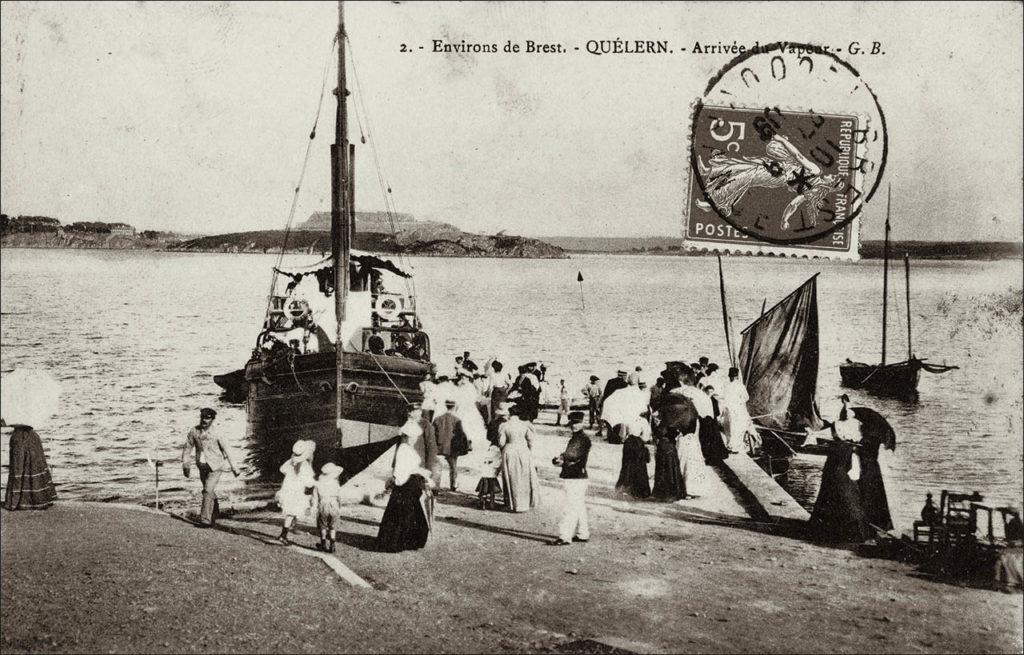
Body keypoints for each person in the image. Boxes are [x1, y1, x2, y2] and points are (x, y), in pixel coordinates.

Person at [377, 422, 434, 552]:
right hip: (406, 485)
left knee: (409, 513)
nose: (415, 439)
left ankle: (406, 541)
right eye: (413, 437)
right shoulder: (403, 449)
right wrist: (418, 473)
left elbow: (410, 467)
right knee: (404, 513)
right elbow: (401, 470)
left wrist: (422, 473)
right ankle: (399, 542)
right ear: (407, 436)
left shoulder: (407, 448)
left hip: (411, 484)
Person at [181, 408, 239, 527]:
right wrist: (186, 465)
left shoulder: (217, 432)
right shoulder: (194, 431)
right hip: (202, 466)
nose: (204, 420)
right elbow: (187, 448)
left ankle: (205, 520)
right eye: (202, 417)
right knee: (209, 491)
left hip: (216, 466)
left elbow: (227, 450)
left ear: (212, 419)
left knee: (207, 490)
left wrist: (234, 468)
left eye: (207, 418)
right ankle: (215, 513)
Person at [550, 411, 591, 545]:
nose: (574, 426)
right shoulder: (578, 438)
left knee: (570, 507)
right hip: (578, 476)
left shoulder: (582, 439)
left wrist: (561, 459)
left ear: (582, 423)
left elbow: (574, 456)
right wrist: (561, 458)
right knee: (578, 506)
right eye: (572, 423)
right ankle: (583, 533)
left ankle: (565, 536)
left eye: (577, 423)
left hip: (575, 476)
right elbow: (571, 455)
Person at [497, 405, 542, 512]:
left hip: (510, 450)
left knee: (512, 477)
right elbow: (531, 441)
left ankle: (513, 504)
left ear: (510, 414)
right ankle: (524, 504)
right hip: (523, 450)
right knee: (524, 477)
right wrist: (528, 451)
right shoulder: (525, 425)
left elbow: (501, 443)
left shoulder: (504, 425)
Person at [2, 424, 56, 511]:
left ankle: (17, 500)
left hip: (19, 437)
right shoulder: (31, 416)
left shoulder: (15, 426)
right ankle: (36, 500)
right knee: (32, 466)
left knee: (18, 467)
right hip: (32, 437)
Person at [276, 440, 316, 545]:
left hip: (288, 490)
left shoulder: (290, 462)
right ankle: (283, 535)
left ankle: (288, 530)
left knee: (291, 512)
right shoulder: (305, 465)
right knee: (291, 513)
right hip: (296, 492)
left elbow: (282, 469)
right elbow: (309, 483)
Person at [433, 399, 469, 491]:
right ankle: (453, 485)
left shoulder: (437, 419)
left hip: (439, 446)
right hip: (451, 448)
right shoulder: (457, 420)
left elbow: (433, 433)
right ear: (454, 407)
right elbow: (460, 435)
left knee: (437, 466)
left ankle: (435, 486)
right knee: (453, 467)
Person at [312, 462, 344, 552]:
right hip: (334, 505)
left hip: (323, 504)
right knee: (333, 526)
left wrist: (314, 508)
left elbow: (315, 498)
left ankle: (323, 544)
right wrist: (339, 507)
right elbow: (339, 497)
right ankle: (332, 545)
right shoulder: (335, 484)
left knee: (323, 526)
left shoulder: (318, 484)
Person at [720, 367, 753, 454]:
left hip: (736, 409)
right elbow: (723, 396)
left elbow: (746, 397)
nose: (732, 378)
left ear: (736, 377)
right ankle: (730, 446)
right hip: (728, 408)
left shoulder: (739, 385)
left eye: (733, 376)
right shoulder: (727, 384)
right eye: (731, 376)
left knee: (734, 427)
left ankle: (734, 447)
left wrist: (738, 402)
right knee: (728, 427)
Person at [615, 420, 651, 499]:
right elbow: (646, 437)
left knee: (627, 465)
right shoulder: (643, 421)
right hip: (638, 443)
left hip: (629, 443)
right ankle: (639, 490)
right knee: (639, 466)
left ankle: (626, 486)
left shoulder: (626, 420)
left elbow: (622, 435)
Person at [651, 428, 684, 502]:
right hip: (670, 448)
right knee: (671, 470)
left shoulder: (662, 424)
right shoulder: (672, 423)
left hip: (662, 447)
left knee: (663, 470)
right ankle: (671, 494)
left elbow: (655, 436)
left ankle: (662, 494)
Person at [677, 422, 708, 499]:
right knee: (692, 466)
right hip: (693, 442)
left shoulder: (679, 417)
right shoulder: (695, 418)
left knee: (684, 464)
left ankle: (684, 489)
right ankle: (692, 489)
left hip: (683, 441)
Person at [475, 441, 503, 510]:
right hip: (491, 472)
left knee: (484, 489)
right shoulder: (497, 449)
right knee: (492, 490)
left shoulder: (488, 449)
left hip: (485, 472)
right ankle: (491, 503)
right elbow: (498, 462)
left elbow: (481, 460)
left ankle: (482, 502)